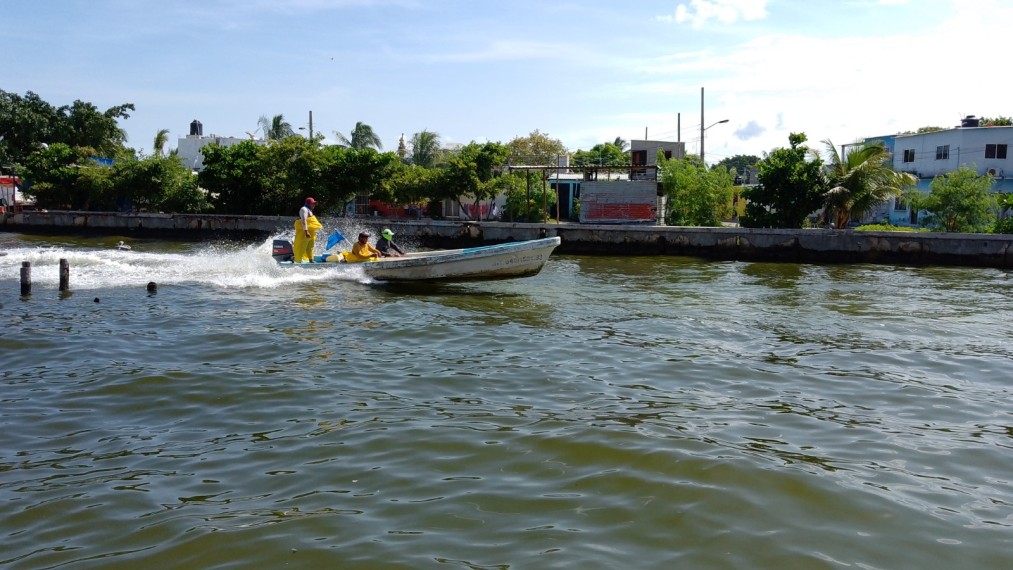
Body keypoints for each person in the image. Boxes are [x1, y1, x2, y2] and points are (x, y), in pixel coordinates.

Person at [292, 197, 322, 263]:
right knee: (301, 248)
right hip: (304, 234)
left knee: (310, 247)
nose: (314, 205)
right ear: (309, 203)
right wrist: (306, 231)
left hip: (311, 233)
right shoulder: (304, 209)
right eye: (313, 203)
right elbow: (304, 221)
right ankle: (297, 262)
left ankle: (311, 260)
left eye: (314, 203)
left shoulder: (309, 210)